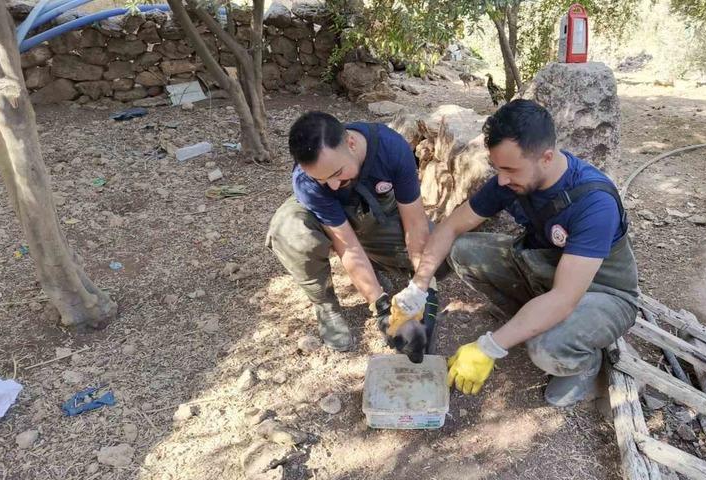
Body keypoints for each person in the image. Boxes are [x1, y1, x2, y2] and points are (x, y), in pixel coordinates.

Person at [391, 99, 639, 407]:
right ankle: (531, 320)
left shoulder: (593, 203)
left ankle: (583, 364)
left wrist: (489, 347)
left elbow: (564, 297)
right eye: (498, 168)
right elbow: (450, 227)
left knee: (545, 346)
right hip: (549, 272)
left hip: (602, 293)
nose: (502, 179)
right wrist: (418, 287)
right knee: (461, 250)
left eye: (510, 169)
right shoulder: (510, 180)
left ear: (546, 157)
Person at [266, 111, 436, 352]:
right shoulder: (306, 182)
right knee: (291, 230)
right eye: (323, 180)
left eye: (336, 174)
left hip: (373, 212)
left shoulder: (392, 148)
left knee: (437, 253)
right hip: (334, 220)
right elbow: (346, 244)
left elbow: (415, 224)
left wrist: (421, 287)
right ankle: (325, 305)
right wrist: (381, 308)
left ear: (351, 143)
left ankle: (377, 265)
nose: (333, 185)